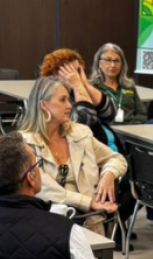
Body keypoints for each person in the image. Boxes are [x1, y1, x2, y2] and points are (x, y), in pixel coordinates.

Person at [13, 75, 127, 235]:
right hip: (45, 224)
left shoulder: (80, 133)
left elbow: (117, 158)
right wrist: (89, 203)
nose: (70, 105)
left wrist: (109, 174)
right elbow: (44, 189)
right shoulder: (25, 143)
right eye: (62, 100)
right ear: (44, 105)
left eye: (69, 99)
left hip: (89, 222)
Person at [90, 43, 149, 136]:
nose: (113, 65)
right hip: (106, 134)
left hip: (131, 134)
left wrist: (135, 127)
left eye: (117, 61)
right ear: (99, 63)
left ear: (122, 64)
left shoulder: (128, 86)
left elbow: (141, 113)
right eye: (108, 60)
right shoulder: (92, 87)